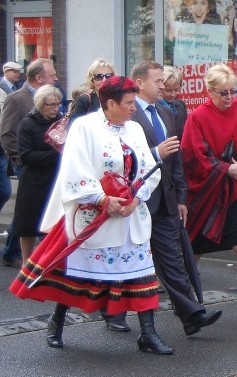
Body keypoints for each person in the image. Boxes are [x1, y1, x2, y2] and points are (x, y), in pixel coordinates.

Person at [10, 76, 172, 355]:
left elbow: (148, 166)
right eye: (129, 103)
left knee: (141, 274)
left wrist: (136, 198)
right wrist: (101, 198)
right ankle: (56, 321)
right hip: (94, 215)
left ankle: (148, 334)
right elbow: (75, 169)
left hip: (130, 216)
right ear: (110, 103)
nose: (134, 108)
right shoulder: (84, 127)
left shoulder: (133, 129)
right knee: (78, 273)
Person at [131, 60, 222, 336]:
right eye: (157, 81)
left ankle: (191, 315)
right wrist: (154, 151)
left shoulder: (165, 113)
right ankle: (108, 311)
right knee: (130, 263)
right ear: (139, 83)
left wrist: (182, 196)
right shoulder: (127, 112)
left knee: (173, 259)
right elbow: (125, 157)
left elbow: (176, 158)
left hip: (167, 200)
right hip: (137, 202)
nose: (162, 85)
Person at [181, 63, 237, 328]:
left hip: (232, 192)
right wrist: (224, 168)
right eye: (223, 93)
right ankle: (188, 304)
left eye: (232, 92)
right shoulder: (197, 117)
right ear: (210, 91)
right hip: (205, 193)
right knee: (194, 250)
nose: (229, 98)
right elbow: (193, 155)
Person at [0, 58, 59, 268]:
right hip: (28, 165)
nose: (56, 78)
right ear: (39, 78)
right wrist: (20, 161)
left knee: (39, 214)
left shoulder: (57, 115)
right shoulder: (17, 99)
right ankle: (13, 253)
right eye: (52, 75)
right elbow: (7, 133)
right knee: (26, 213)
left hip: (48, 171)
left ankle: (39, 259)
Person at [11, 85, 63, 263]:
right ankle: (26, 263)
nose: (56, 108)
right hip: (33, 181)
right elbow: (26, 156)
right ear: (41, 104)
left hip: (55, 180)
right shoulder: (27, 124)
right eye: (51, 105)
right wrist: (56, 154)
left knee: (52, 225)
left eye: (58, 104)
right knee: (27, 225)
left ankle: (46, 264)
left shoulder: (61, 121)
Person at [68, 58, 115, 124]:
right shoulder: (84, 100)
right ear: (92, 80)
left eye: (108, 76)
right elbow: (73, 126)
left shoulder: (120, 99)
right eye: (99, 77)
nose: (104, 80)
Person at [160, 66, 189, 139]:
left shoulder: (181, 105)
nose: (173, 94)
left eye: (176, 90)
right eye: (168, 90)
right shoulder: (154, 107)